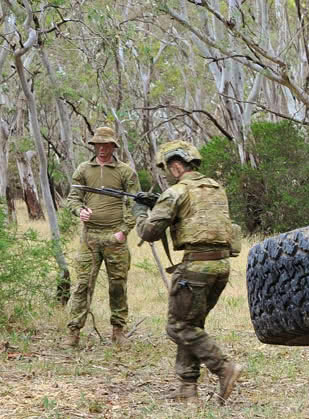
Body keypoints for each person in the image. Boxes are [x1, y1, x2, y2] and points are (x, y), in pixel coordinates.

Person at [133, 140, 243, 404]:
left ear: (177, 166)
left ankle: (224, 367)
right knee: (192, 325)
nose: (168, 173)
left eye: (168, 169)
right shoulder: (217, 189)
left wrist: (140, 212)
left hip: (195, 268)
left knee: (178, 326)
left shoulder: (176, 192)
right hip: (220, 266)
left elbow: (150, 232)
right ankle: (187, 386)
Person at [64, 126, 139, 347]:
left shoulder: (126, 172)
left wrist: (123, 231)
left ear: (113, 147)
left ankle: (118, 330)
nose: (102, 149)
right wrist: (80, 211)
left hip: (115, 238)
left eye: (107, 145)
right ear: (94, 146)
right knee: (83, 285)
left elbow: (135, 204)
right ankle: (73, 331)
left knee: (118, 285)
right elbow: (73, 198)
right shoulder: (84, 169)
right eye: (99, 145)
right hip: (89, 238)